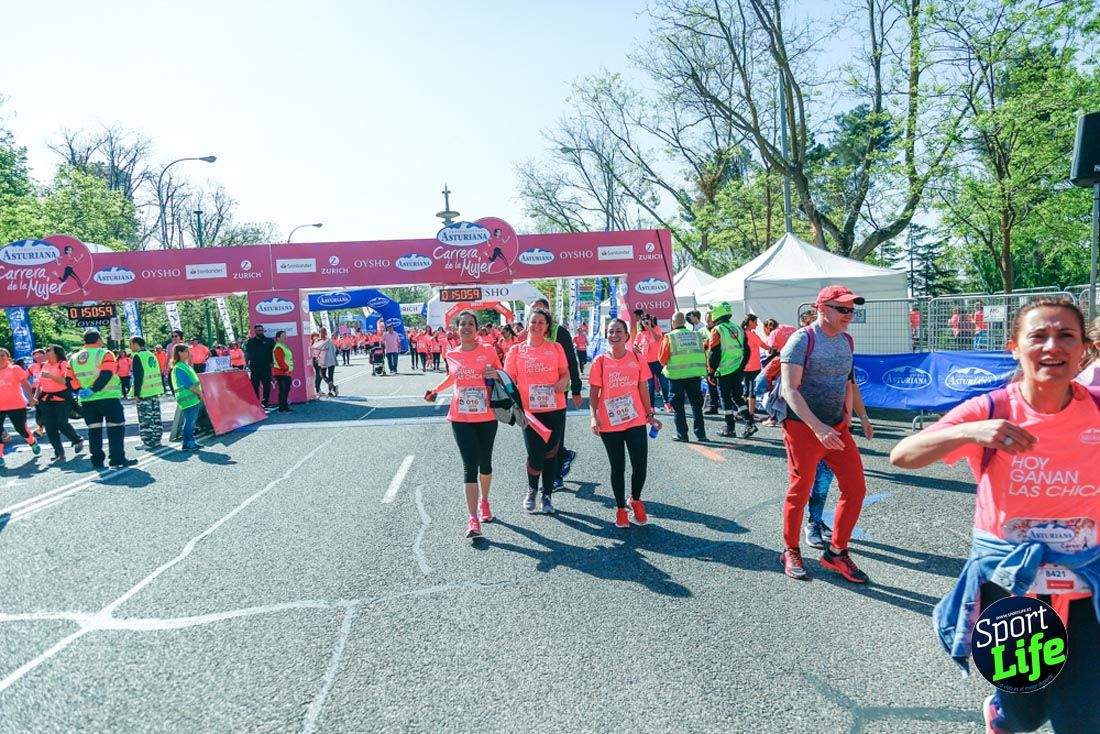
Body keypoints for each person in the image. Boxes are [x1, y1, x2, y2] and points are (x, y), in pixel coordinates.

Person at [890, 297, 1100, 734]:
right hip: (1012, 586)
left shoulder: (1096, 408)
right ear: (1014, 347)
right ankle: (1001, 714)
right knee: (1024, 715)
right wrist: (969, 432)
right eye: (1038, 336)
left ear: (1083, 350)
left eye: (1066, 336)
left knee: (1080, 719)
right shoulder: (991, 409)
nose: (1052, 346)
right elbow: (901, 455)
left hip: (1086, 583)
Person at [777, 286, 868, 583]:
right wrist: (818, 427)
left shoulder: (847, 341)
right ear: (822, 308)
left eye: (851, 310)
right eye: (843, 309)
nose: (849, 315)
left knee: (855, 489)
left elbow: (847, 383)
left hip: (836, 428)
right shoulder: (802, 340)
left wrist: (854, 417)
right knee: (800, 490)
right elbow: (789, 390)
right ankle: (790, 549)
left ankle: (836, 553)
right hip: (803, 428)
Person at [424, 311, 502, 538]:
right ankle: (473, 519)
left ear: (477, 328)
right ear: (457, 329)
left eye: (470, 324)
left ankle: (484, 501)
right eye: (463, 324)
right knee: (470, 466)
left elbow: (503, 373)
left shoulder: (488, 350)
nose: (466, 327)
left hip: (486, 415)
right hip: (460, 417)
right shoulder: (451, 353)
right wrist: (436, 390)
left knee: (485, 463)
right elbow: (453, 377)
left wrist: (495, 373)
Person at [590, 318, 659, 528]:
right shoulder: (600, 361)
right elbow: (594, 392)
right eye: (611, 331)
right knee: (617, 466)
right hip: (610, 422)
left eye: (619, 331)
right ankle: (620, 508)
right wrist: (594, 417)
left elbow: (643, 388)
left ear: (627, 335)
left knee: (640, 465)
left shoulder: (637, 358)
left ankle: (635, 499)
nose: (614, 335)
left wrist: (650, 414)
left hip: (635, 419)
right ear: (607, 335)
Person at [503, 307, 569, 514]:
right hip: (529, 412)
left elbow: (565, 374)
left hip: (554, 408)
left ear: (547, 326)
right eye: (533, 322)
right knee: (535, 454)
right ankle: (532, 489)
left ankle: (546, 495)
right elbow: (508, 381)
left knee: (551, 453)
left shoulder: (556, 348)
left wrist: (562, 383)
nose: (537, 326)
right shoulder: (516, 350)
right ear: (528, 324)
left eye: (541, 322)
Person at [803, 381, 874, 550]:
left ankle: (818, 523)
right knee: (821, 481)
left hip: (841, 429)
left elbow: (852, 386)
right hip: (820, 429)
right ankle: (813, 523)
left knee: (844, 485)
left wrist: (864, 418)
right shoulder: (813, 355)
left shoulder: (847, 355)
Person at [530, 297, 582, 489]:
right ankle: (562, 457)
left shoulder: (560, 332)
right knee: (538, 437)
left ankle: (556, 474)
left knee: (555, 436)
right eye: (534, 312)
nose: (537, 320)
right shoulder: (526, 335)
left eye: (542, 311)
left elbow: (571, 361)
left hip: (558, 391)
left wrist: (576, 388)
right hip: (533, 395)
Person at [70, 330, 136, 469]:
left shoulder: (74, 358)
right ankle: (117, 459)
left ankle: (97, 461)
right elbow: (106, 374)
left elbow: (69, 379)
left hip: (87, 401)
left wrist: (79, 390)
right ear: (98, 340)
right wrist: (94, 389)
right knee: (116, 428)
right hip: (108, 398)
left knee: (94, 430)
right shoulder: (104, 353)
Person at [658, 311, 708, 442]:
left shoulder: (669, 337)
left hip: (676, 377)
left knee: (678, 407)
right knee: (696, 406)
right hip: (694, 375)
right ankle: (701, 434)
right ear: (684, 323)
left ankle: (682, 435)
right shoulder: (696, 335)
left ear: (673, 324)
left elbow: (662, 359)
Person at [706, 302, 754, 438]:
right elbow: (747, 350)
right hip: (737, 369)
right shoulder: (738, 328)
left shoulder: (718, 330)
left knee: (725, 399)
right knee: (738, 397)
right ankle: (750, 423)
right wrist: (741, 366)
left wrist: (711, 371)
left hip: (723, 370)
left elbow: (714, 353)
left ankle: (729, 428)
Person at [33, 345, 83, 462]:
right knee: (50, 426)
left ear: (56, 353)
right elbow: (39, 384)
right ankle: (59, 453)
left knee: (61, 423)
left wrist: (50, 376)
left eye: (48, 350)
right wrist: (35, 397)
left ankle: (77, 440)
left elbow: (66, 382)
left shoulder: (63, 364)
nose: (46, 351)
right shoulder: (44, 365)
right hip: (46, 399)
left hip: (62, 398)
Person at [0, 348, 41, 466]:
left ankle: (32, 442)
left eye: (3, 355)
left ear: (8, 357)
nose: (1, 357)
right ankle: (0, 456)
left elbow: (26, 385)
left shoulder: (15, 369)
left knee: (20, 429)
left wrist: (31, 398)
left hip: (16, 405)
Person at [129, 336, 164, 451]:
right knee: (155, 416)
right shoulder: (151, 354)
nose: (130, 347)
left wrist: (136, 393)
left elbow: (138, 377)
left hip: (144, 392)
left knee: (145, 418)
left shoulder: (138, 356)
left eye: (130, 344)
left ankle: (148, 442)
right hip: (155, 390)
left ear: (135, 343)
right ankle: (157, 439)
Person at [170, 343, 203, 452]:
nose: (188, 353)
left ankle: (190, 441)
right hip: (188, 398)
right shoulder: (179, 367)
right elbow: (188, 384)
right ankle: (187, 443)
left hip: (191, 397)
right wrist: (199, 393)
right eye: (186, 351)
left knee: (191, 422)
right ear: (179, 353)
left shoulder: (184, 365)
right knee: (189, 422)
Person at [633, 313, 670, 410]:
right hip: (646, 363)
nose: (645, 322)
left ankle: (667, 403)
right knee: (650, 386)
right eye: (643, 320)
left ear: (651, 320)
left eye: (647, 320)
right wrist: (636, 348)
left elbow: (659, 339)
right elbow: (635, 346)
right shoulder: (640, 333)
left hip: (658, 362)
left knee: (664, 383)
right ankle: (651, 406)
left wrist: (650, 328)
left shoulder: (656, 328)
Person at [244, 325, 275, 406]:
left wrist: (272, 362)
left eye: (261, 330)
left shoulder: (269, 341)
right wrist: (246, 363)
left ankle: (265, 402)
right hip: (254, 367)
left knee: (266, 385)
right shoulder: (250, 341)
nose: (260, 331)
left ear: (263, 331)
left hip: (266, 367)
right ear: (255, 331)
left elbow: (274, 353)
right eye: (258, 330)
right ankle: (256, 402)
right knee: (254, 386)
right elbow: (247, 353)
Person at [741, 314, 764, 420]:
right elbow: (763, 345)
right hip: (754, 366)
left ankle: (742, 411)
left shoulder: (741, 333)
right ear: (750, 322)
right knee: (752, 391)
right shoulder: (751, 334)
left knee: (745, 390)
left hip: (744, 366)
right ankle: (750, 413)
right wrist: (773, 349)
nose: (757, 324)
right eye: (755, 322)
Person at [311, 328, 338, 397]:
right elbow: (335, 350)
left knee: (324, 375)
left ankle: (332, 390)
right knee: (326, 375)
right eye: (323, 332)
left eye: (324, 332)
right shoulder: (327, 340)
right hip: (328, 361)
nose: (323, 333)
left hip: (325, 361)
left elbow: (315, 351)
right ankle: (332, 389)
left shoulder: (321, 341)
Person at [272, 330, 294, 413]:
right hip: (281, 372)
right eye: (283, 335)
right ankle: (282, 408)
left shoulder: (283, 346)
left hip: (284, 372)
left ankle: (284, 407)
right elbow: (280, 360)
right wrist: (286, 369)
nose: (285, 337)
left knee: (285, 390)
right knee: (284, 390)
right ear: (278, 338)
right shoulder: (278, 347)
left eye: (285, 335)